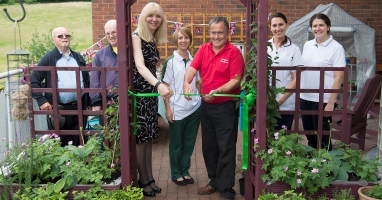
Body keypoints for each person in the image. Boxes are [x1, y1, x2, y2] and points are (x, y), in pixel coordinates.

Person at [183, 16, 245, 200]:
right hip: (206, 107)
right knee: (209, 147)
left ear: (228, 33)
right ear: (209, 33)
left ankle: (226, 188)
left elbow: (236, 80)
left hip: (225, 107)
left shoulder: (234, 52)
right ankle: (214, 181)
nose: (216, 36)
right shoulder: (204, 49)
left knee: (226, 146)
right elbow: (192, 70)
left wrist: (217, 91)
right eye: (213, 32)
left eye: (220, 32)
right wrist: (187, 83)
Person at [132, 2, 173, 197]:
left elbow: (152, 68)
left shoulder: (151, 39)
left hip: (150, 93)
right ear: (143, 17)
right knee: (141, 138)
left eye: (158, 16)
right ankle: (143, 180)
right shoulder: (136, 37)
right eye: (150, 16)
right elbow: (140, 67)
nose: (154, 19)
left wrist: (160, 84)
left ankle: (149, 177)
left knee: (148, 137)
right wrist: (159, 85)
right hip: (140, 93)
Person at [31, 27, 90, 147]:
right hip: (60, 110)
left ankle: (78, 165)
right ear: (53, 40)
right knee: (60, 144)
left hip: (79, 108)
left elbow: (87, 81)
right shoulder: (49, 58)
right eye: (60, 36)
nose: (64, 38)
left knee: (79, 143)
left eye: (67, 35)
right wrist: (42, 100)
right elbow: (33, 80)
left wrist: (89, 103)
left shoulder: (78, 58)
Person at [161, 27, 201, 186]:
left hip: (194, 108)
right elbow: (165, 86)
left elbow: (197, 82)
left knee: (189, 143)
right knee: (176, 144)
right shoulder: (170, 61)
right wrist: (168, 109)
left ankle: (185, 170)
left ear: (190, 40)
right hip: (177, 109)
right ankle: (176, 172)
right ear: (176, 41)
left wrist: (201, 101)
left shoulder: (195, 60)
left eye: (186, 38)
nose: (183, 41)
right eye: (180, 38)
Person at [300, 13, 345, 150]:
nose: (317, 28)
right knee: (310, 135)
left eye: (321, 25)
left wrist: (331, 103)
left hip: (323, 98)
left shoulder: (336, 48)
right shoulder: (308, 45)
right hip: (305, 96)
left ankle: (326, 167)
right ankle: (312, 165)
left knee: (323, 136)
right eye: (314, 26)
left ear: (328, 27)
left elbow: (339, 77)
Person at [268, 12, 303, 130]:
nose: (278, 28)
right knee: (265, 140)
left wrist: (280, 101)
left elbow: (296, 78)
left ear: (287, 25)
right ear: (270, 27)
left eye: (281, 24)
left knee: (281, 141)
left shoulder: (294, 49)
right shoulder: (264, 47)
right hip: (266, 103)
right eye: (274, 25)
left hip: (286, 105)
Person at [90, 19, 118, 113]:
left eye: (114, 32)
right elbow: (95, 79)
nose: (111, 36)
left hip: (128, 99)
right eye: (108, 33)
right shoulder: (100, 54)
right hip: (107, 102)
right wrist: (96, 102)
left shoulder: (131, 51)